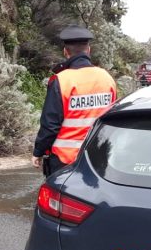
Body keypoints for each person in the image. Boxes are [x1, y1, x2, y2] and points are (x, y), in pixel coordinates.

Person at [31, 25, 117, 176]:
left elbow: (50, 125)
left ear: (66, 52)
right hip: (99, 154)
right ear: (88, 50)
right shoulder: (107, 78)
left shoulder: (61, 80)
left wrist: (38, 151)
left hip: (66, 159)